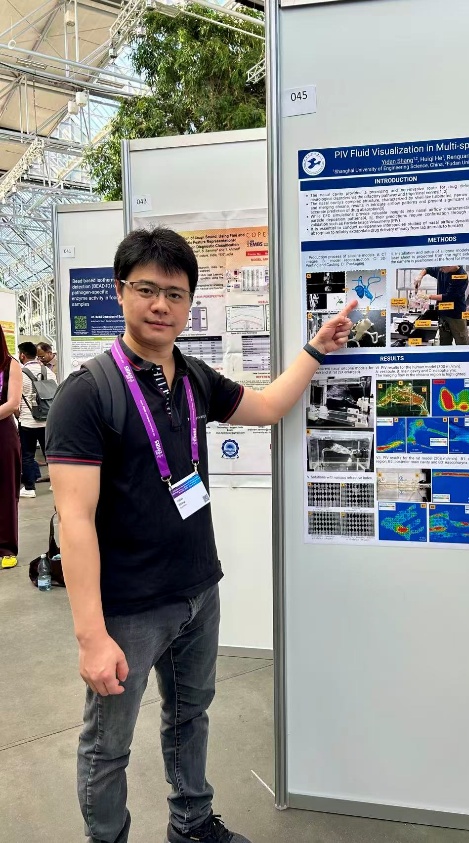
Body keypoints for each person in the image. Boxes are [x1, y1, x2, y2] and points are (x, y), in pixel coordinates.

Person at [46, 227, 355, 843]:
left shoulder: (192, 377)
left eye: (175, 294)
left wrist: (316, 349)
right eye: (146, 290)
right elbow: (75, 521)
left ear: (188, 302)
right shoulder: (87, 393)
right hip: (129, 607)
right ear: (120, 291)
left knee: (191, 716)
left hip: (197, 589)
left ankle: (191, 825)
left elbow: (266, 407)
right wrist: (91, 636)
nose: (161, 305)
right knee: (108, 744)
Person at [17, 341, 57, 498]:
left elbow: (16, 400)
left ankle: (29, 488)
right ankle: (55, 484)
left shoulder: (20, 374)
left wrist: (18, 415)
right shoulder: (49, 372)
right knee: (50, 454)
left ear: (22, 355)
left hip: (28, 422)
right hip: (47, 420)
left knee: (28, 455)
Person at [0, 325, 22, 569]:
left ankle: (6, 548)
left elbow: (13, 403)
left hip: (3, 433)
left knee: (6, 491)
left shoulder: (10, 364)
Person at [414, 265, 469, 345]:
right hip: (443, 314)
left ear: (450, 265)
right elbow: (428, 269)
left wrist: (428, 296)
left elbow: (449, 297)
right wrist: (420, 276)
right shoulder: (442, 268)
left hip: (456, 315)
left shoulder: (461, 276)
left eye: (442, 268)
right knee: (444, 343)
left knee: (462, 343)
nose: (440, 270)